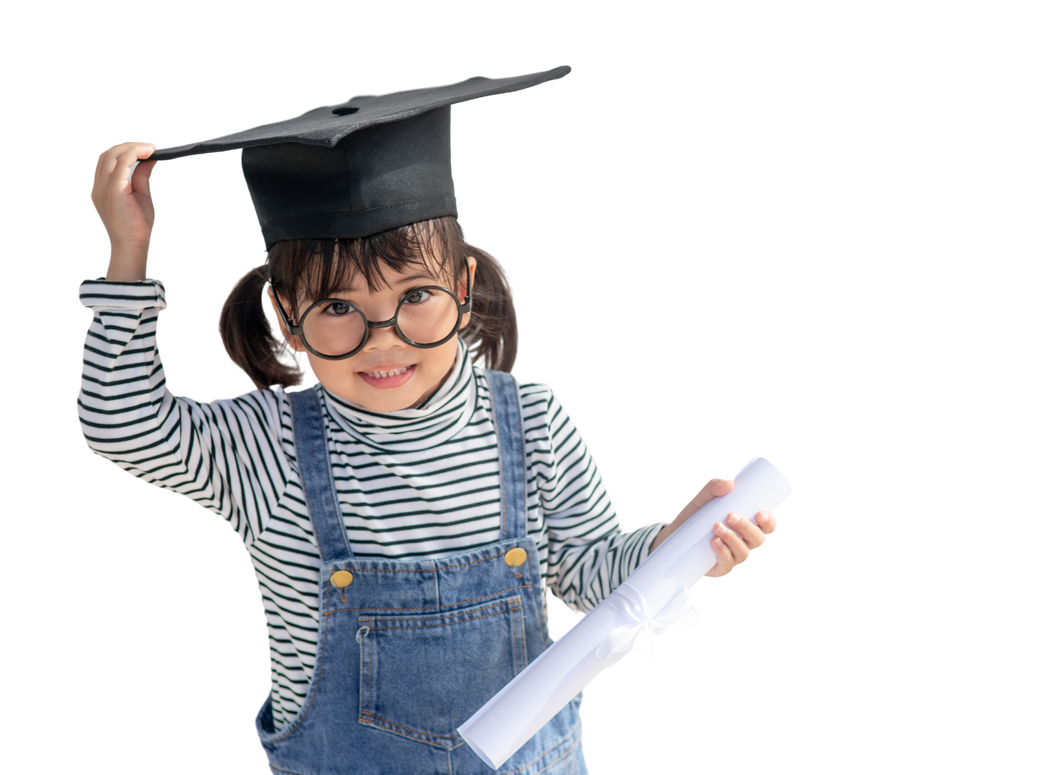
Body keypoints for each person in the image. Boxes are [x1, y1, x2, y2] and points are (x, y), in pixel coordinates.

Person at [77, 66, 774, 775]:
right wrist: (127, 254)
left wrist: (676, 546)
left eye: (416, 295)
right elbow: (119, 422)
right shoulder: (265, 445)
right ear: (287, 320)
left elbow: (590, 570)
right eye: (339, 308)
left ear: (463, 289)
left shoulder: (532, 421)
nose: (385, 337)